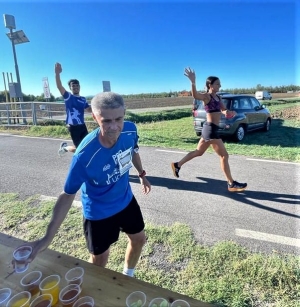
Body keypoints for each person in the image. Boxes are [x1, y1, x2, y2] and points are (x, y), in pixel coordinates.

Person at [15, 92, 151, 277]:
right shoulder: (84, 155)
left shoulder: (130, 130)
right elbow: (67, 194)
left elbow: (133, 151)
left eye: (118, 119)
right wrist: (47, 238)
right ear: (95, 117)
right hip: (98, 211)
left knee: (139, 239)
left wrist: (141, 174)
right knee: (99, 261)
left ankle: (128, 276)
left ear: (125, 114)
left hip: (125, 200)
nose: (113, 127)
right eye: (106, 121)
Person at [171, 67, 247, 192]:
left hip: (212, 129)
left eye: (220, 83)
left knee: (198, 152)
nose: (220, 85)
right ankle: (231, 183)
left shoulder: (218, 97)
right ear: (210, 85)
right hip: (211, 129)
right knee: (224, 156)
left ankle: (177, 165)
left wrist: (229, 112)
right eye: (217, 84)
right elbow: (195, 95)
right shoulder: (206, 97)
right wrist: (193, 82)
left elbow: (223, 110)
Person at [55, 62, 92, 157]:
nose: (75, 88)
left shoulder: (83, 99)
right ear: (70, 88)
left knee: (87, 146)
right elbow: (59, 86)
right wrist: (57, 73)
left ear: (79, 87)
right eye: (73, 86)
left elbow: (89, 110)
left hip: (82, 126)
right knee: (79, 149)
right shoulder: (68, 96)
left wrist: (101, 108)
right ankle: (65, 148)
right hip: (73, 127)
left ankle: (66, 149)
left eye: (77, 86)